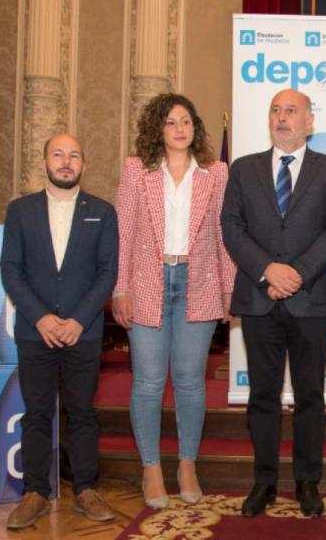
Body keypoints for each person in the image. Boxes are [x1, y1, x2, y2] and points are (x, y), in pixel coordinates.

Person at [221, 88, 326, 518]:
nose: (282, 117)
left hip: (310, 299)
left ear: (309, 121)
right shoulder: (244, 169)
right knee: (263, 395)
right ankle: (264, 483)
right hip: (259, 297)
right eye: (276, 110)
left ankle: (308, 482)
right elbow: (232, 227)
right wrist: (267, 271)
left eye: (292, 111)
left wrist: (294, 275)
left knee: (310, 395)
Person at [113, 93, 235, 510]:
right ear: (158, 130)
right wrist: (120, 288)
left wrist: (228, 287)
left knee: (189, 381)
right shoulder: (137, 171)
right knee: (147, 382)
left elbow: (224, 235)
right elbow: (123, 232)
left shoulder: (215, 173)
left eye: (186, 120)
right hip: (148, 281)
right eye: (170, 122)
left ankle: (187, 464)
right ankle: (150, 468)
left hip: (198, 283)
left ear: (195, 128)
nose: (179, 128)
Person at [0, 132, 118, 530]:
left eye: (74, 156)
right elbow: (10, 271)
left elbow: (107, 273)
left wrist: (79, 320)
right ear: (45, 162)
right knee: (36, 413)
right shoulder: (20, 211)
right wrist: (41, 318)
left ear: (84, 165)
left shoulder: (103, 212)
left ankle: (86, 489)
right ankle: (34, 492)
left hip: (82, 332)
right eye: (58, 154)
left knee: (83, 412)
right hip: (36, 333)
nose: (66, 162)